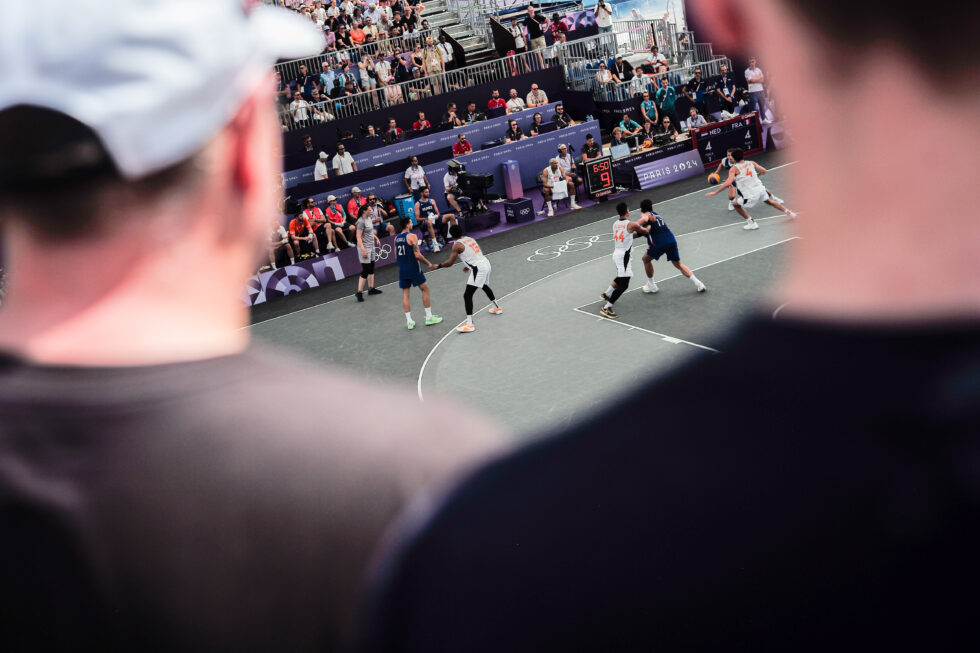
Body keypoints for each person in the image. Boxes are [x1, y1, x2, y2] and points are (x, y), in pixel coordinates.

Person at [706, 147, 796, 229]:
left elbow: (728, 183)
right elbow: (764, 170)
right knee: (769, 201)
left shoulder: (733, 169)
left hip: (750, 195)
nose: (730, 158)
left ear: (734, 158)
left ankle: (751, 223)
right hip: (760, 189)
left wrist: (716, 192)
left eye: (731, 157)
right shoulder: (751, 162)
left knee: (735, 204)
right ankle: (790, 213)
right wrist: (755, 175)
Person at [435, 226, 503, 333]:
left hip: (478, 268)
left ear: (451, 235)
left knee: (467, 295)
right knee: (483, 285)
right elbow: (476, 252)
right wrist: (467, 266)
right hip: (485, 263)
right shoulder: (469, 239)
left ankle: (470, 324)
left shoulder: (457, 245)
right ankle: (497, 307)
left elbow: (450, 263)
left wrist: (438, 266)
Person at [635, 198, 706, 294]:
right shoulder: (657, 215)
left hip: (659, 243)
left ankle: (651, 285)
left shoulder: (645, 215)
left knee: (645, 259)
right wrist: (630, 236)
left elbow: (644, 221)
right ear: (651, 206)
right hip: (671, 240)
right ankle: (699, 283)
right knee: (678, 264)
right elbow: (645, 232)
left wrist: (633, 226)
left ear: (642, 209)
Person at [597, 202, 650, 318]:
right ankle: (606, 308)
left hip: (617, 253)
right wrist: (649, 224)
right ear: (627, 211)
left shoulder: (615, 224)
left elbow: (629, 236)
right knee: (624, 284)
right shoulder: (630, 224)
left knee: (621, 277)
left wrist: (640, 232)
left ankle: (607, 294)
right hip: (623, 256)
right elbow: (644, 231)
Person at [394, 218, 443, 329]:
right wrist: (429, 264)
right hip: (413, 268)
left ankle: (409, 321)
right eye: (411, 222)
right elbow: (417, 255)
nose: (412, 224)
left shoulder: (396, 238)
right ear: (407, 225)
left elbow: (396, 256)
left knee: (405, 294)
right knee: (425, 289)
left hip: (402, 269)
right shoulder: (412, 236)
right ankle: (429, 317)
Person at [354, 204, 384, 302]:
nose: (371, 211)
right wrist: (363, 250)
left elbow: (370, 232)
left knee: (371, 267)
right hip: (364, 247)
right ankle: (359, 293)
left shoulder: (369, 219)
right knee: (365, 270)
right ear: (364, 211)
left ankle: (371, 289)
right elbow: (358, 237)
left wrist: (376, 238)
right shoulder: (361, 222)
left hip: (371, 246)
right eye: (370, 210)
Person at [745, 57, 771, 122]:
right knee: (753, 108)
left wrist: (754, 79)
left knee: (762, 106)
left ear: (755, 62)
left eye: (753, 61)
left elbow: (762, 80)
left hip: (760, 90)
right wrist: (759, 78)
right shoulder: (747, 71)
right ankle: (753, 122)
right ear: (749, 63)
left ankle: (764, 119)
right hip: (752, 91)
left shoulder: (759, 70)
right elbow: (750, 81)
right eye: (750, 62)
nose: (752, 63)